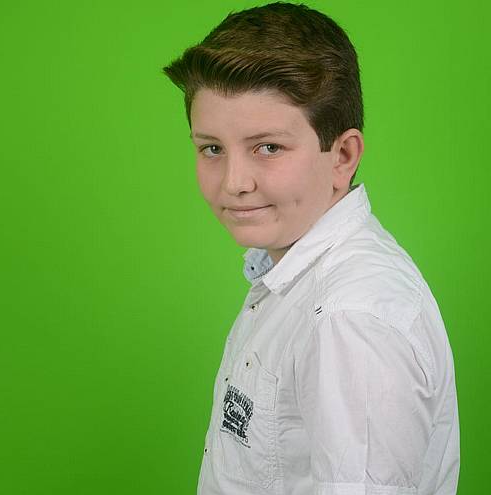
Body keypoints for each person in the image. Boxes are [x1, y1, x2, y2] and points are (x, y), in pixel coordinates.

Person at [162, 2, 460, 494]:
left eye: (268, 147)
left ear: (342, 156)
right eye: (212, 148)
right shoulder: (292, 275)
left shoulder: (349, 319)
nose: (234, 182)